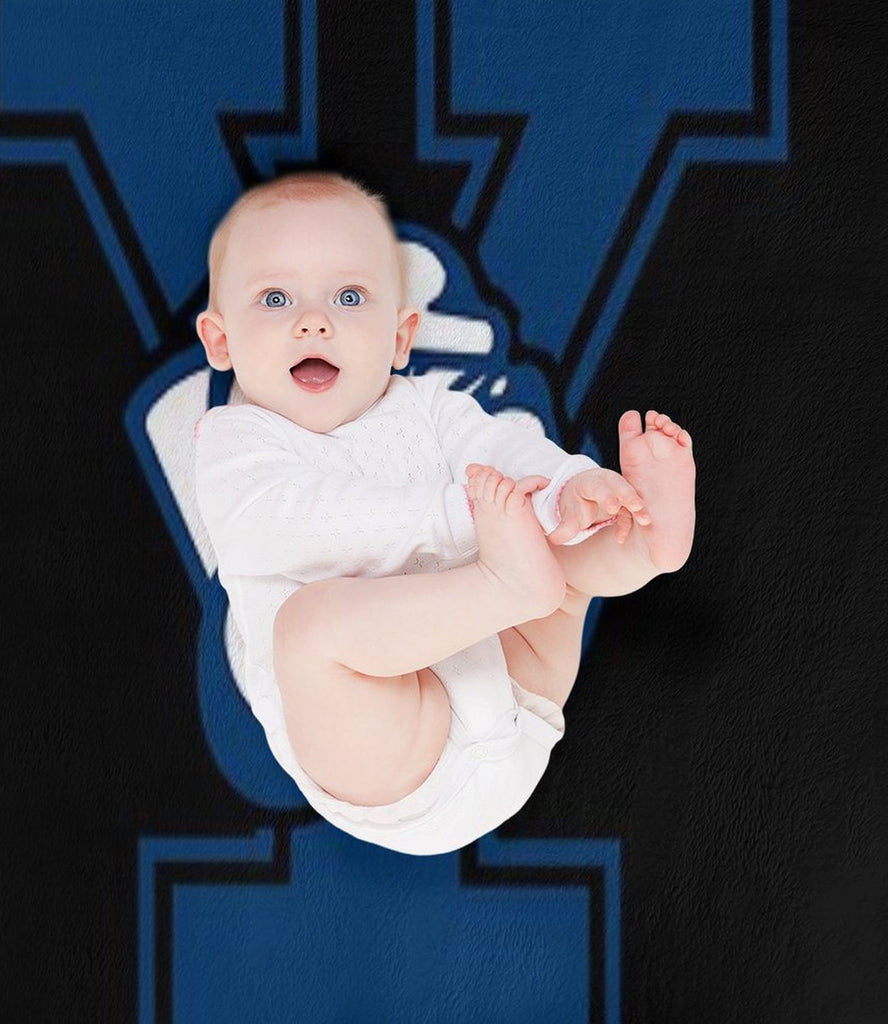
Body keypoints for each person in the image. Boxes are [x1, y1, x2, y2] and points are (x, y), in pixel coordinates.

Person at [193, 170, 696, 855]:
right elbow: (289, 525)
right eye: (275, 298)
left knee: (561, 554)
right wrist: (459, 517)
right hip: (397, 758)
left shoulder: (428, 407)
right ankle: (511, 582)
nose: (315, 320)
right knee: (307, 629)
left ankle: (639, 543)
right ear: (220, 343)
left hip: (520, 689)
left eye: (349, 296)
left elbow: (506, 447)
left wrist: (567, 488)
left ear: (400, 337)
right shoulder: (235, 444)